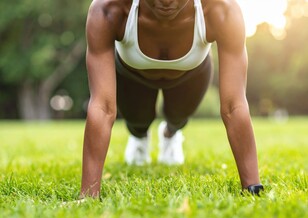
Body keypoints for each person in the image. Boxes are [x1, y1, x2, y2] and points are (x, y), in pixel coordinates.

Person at [80, 0, 264, 199]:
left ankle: (170, 134)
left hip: (191, 76)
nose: (167, 2)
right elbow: (102, 107)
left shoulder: (222, 10)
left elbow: (233, 105)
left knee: (178, 117)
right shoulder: (108, 10)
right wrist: (88, 195)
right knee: (138, 121)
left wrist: (252, 187)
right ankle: (139, 137)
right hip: (131, 77)